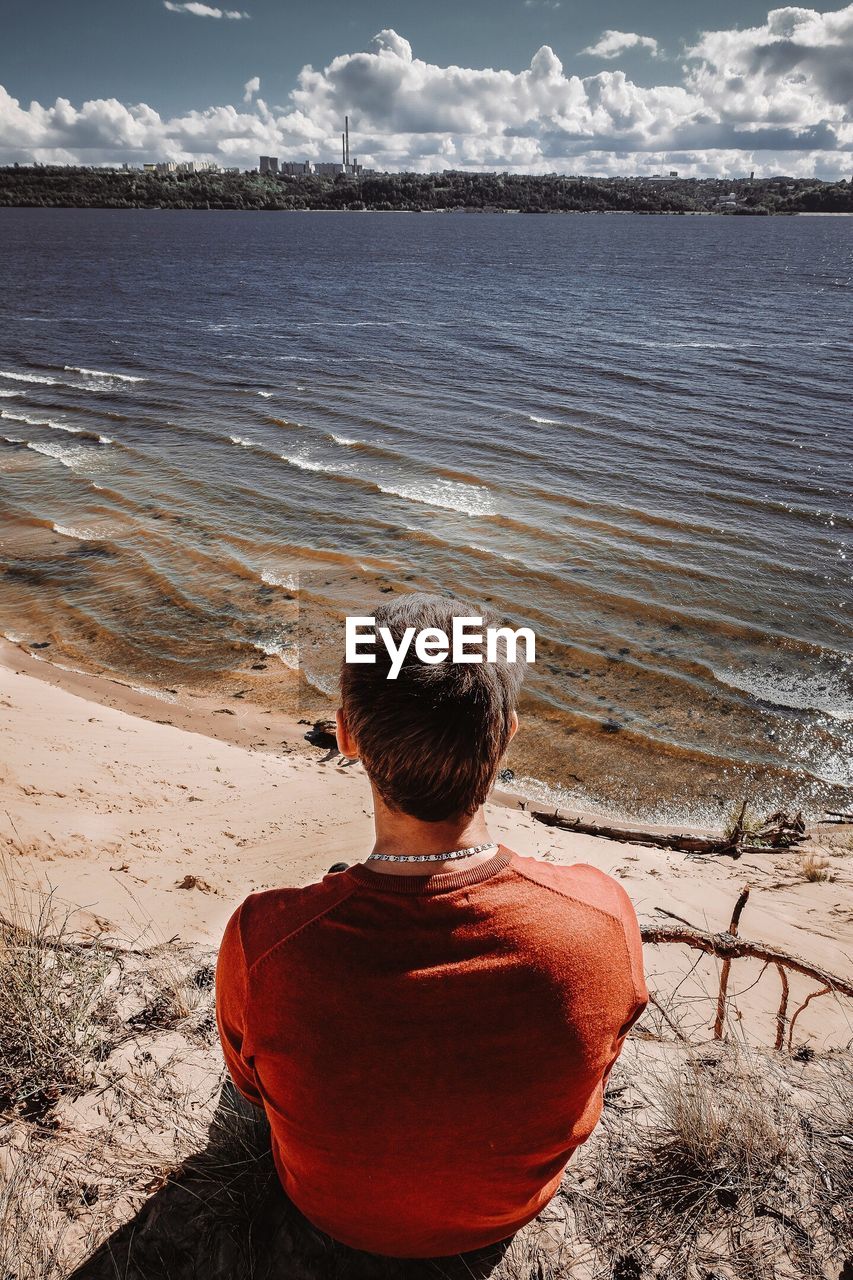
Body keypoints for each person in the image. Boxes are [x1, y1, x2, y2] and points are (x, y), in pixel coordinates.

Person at [216, 593, 647, 1261]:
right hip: (500, 1217)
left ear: (347, 735)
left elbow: (250, 1087)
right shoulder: (601, 916)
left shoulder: (266, 940)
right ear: (506, 735)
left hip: (329, 1213)